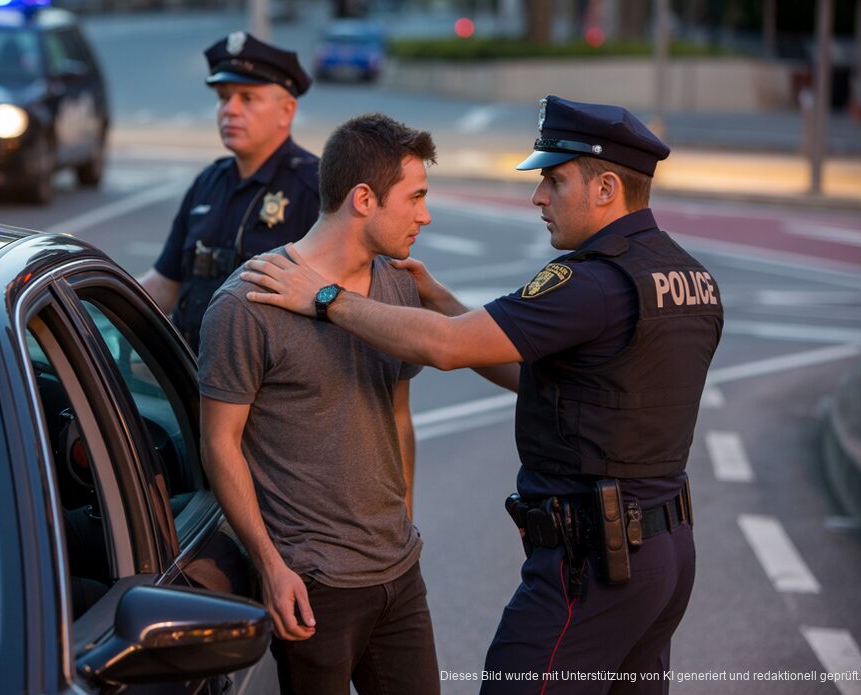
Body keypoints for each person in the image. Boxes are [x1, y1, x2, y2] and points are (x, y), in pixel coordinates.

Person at [240, 95, 724, 692]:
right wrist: (441, 299)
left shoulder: (592, 282)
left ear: (604, 189)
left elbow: (447, 347)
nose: (538, 197)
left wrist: (326, 299)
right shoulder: (686, 276)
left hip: (595, 565)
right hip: (665, 557)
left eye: (554, 180)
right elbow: (549, 382)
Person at [198, 113, 441, 695]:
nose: (425, 216)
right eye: (415, 198)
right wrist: (272, 567)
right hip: (315, 585)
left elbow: (398, 416)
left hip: (399, 573)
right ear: (364, 199)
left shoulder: (399, 286)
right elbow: (219, 442)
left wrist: (401, 519)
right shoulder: (248, 303)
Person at [139, 31, 320, 352]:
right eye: (223, 97)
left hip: (271, 388)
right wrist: (91, 315)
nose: (230, 110)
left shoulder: (317, 188)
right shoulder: (208, 183)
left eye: (247, 98)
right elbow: (165, 284)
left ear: (287, 111)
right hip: (192, 375)